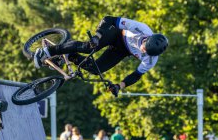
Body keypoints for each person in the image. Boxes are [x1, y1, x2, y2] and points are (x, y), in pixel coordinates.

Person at [33, 16, 168, 97]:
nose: (143, 50)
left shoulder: (151, 59)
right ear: (147, 38)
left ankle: (70, 55)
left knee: (96, 69)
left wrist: (119, 86)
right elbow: (109, 19)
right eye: (144, 46)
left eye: (146, 52)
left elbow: (136, 75)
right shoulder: (141, 28)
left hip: (122, 51)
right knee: (88, 47)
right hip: (116, 34)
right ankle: (48, 51)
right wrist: (97, 37)